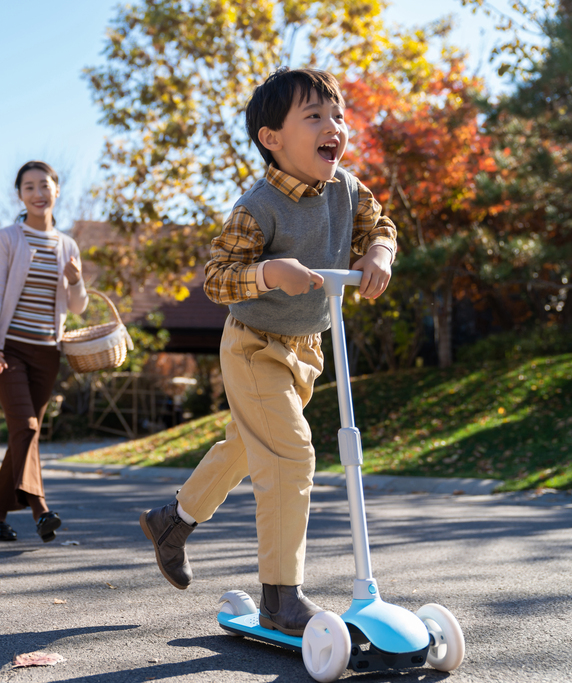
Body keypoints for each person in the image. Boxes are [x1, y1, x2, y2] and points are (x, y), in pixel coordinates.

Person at [139, 68, 397, 636]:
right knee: (289, 454)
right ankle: (281, 595)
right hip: (254, 345)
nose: (334, 128)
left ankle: (171, 522)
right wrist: (268, 272)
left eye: (338, 117)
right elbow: (218, 279)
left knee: (246, 445)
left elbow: (381, 224)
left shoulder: (348, 190)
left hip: (306, 348)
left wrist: (378, 251)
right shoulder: (257, 207)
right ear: (271, 138)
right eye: (315, 117)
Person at [0, 161, 88, 543]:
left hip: (47, 354)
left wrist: (75, 281)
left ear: (57, 190)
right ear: (20, 195)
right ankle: (41, 511)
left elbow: (77, 307)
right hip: (10, 350)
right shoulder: (8, 238)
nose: (38, 193)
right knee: (26, 428)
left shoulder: (68, 245)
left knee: (24, 434)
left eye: (44, 185)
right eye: (29, 187)